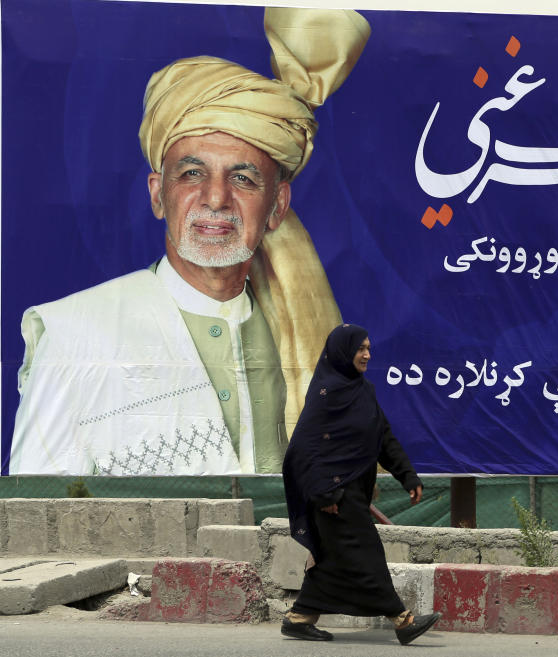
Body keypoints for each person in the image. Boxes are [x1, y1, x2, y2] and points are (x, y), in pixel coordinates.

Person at [8, 8, 368, 475]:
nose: (215, 198)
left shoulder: (303, 338)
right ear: (159, 195)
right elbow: (36, 519)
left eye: (242, 178)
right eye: (192, 173)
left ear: (277, 206)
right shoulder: (74, 334)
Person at [281, 324, 441, 645]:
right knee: (365, 551)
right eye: (360, 349)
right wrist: (324, 492)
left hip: (352, 490)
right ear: (343, 351)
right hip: (331, 494)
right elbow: (305, 448)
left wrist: (407, 476)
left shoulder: (362, 390)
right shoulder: (327, 391)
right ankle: (402, 619)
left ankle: (299, 618)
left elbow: (382, 435)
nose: (367, 354)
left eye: (368, 348)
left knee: (333, 557)